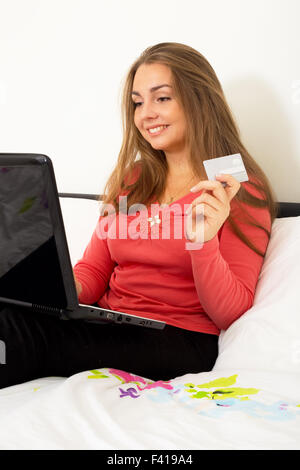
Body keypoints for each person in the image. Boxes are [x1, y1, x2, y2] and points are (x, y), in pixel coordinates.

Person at [0, 42, 277, 389]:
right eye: (137, 102)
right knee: (10, 316)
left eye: (162, 98)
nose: (145, 114)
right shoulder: (133, 178)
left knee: (18, 334)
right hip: (109, 322)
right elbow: (94, 270)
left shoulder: (235, 187)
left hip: (178, 339)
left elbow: (230, 311)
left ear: (200, 100)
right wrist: (51, 291)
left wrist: (202, 241)